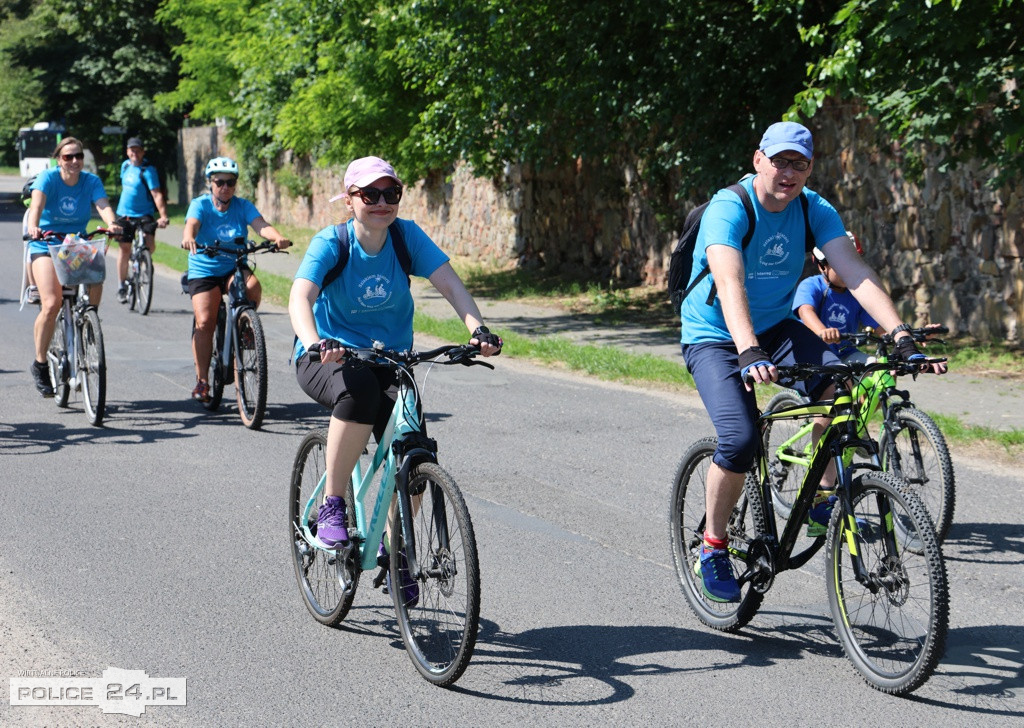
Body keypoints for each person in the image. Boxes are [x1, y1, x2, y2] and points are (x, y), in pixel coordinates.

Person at [678, 121, 946, 603]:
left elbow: (856, 272)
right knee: (738, 440)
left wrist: (899, 332)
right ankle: (713, 547)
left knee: (841, 390)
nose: (789, 171)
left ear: (809, 169)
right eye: (780, 160)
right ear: (759, 159)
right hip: (717, 334)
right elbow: (730, 280)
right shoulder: (730, 207)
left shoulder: (812, 208)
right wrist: (748, 349)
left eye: (799, 163)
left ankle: (823, 497)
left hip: (776, 327)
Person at [288, 156, 502, 599]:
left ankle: (396, 547)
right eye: (371, 194)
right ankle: (333, 505)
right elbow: (300, 297)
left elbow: (451, 285)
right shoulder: (333, 242)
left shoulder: (405, 238)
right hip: (326, 357)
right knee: (360, 393)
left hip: (389, 359)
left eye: (391, 194)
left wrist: (476, 330)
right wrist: (314, 341)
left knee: (415, 448)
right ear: (350, 200)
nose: (382, 203)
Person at [181, 156, 291, 403]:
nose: (225, 187)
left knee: (252, 286)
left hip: (234, 265)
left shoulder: (242, 206)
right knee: (205, 321)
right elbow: (192, 224)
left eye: (231, 182)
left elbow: (260, 224)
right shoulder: (200, 205)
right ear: (211, 183)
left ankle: (244, 329)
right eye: (220, 182)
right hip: (205, 268)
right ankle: (202, 381)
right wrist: (189, 236)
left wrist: (277, 237)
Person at [25, 137, 122, 397]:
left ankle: (90, 319)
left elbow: (103, 206)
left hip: (75, 243)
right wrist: (34, 227)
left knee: (96, 275)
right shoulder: (48, 178)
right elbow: (36, 206)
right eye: (68, 157)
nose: (74, 161)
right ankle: (40, 363)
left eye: (78, 156)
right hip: (45, 243)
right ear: (59, 160)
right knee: (52, 302)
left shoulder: (91, 181)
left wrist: (112, 223)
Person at [793, 241, 882, 365]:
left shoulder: (857, 293)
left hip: (847, 353)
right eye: (841, 265)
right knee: (840, 375)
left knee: (876, 367)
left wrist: (902, 340)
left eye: (854, 264)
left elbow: (879, 323)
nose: (849, 270)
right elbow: (805, 311)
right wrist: (822, 331)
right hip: (817, 354)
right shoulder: (811, 285)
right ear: (821, 265)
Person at [115, 137, 170, 302]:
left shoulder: (148, 170)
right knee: (124, 249)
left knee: (149, 244)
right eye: (132, 150)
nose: (134, 153)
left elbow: (156, 194)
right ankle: (121, 287)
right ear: (127, 152)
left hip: (144, 214)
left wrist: (163, 216)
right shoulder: (124, 166)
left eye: (138, 150)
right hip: (124, 214)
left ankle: (144, 257)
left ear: (143, 152)